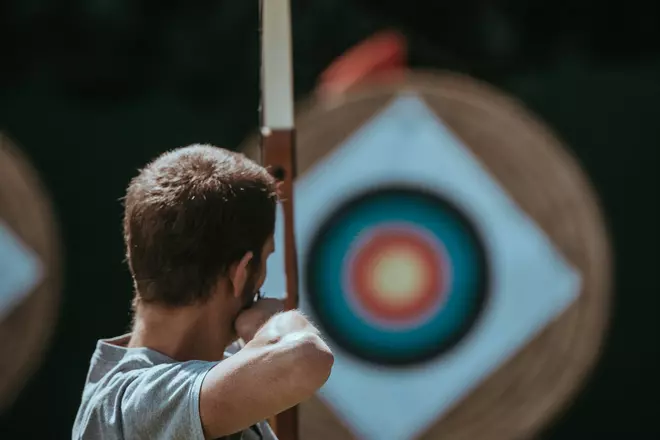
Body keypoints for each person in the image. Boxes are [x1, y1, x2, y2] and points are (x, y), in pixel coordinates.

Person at [72, 144, 334, 440]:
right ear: (242, 272)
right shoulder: (133, 405)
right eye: (266, 258)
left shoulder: (222, 365)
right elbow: (303, 359)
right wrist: (271, 322)